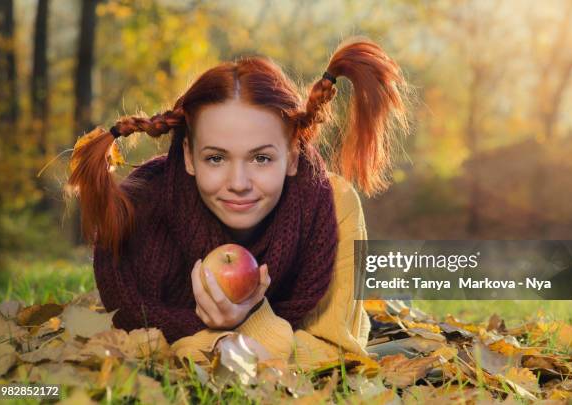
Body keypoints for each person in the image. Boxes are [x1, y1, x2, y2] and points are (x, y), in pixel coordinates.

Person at [67, 37, 409, 368]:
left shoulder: (332, 204)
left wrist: (244, 323)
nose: (239, 184)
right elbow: (132, 343)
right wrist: (226, 341)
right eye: (216, 159)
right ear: (188, 157)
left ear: (292, 155)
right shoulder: (139, 209)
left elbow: (336, 353)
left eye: (261, 159)